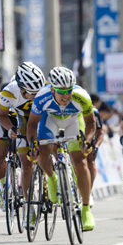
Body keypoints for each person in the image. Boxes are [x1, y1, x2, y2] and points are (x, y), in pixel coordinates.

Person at [27, 67, 97, 231]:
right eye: (60, 92)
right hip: (50, 119)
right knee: (43, 152)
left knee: (80, 161)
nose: (65, 96)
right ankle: (51, 178)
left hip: (73, 121)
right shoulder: (41, 98)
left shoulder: (82, 97)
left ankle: (86, 209)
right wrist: (32, 145)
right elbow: (31, 124)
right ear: (52, 89)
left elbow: (91, 124)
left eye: (68, 91)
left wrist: (86, 142)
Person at [0, 62, 46, 203]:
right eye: (33, 93)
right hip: (13, 119)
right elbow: (0, 116)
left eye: (39, 92)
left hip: (35, 118)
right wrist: (11, 129)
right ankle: (2, 187)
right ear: (21, 88)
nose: (37, 96)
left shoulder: (46, 89)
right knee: (0, 156)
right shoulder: (8, 92)